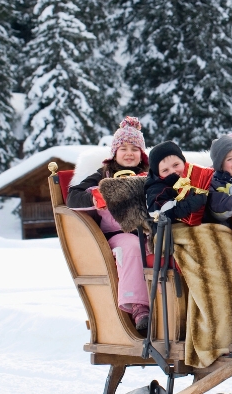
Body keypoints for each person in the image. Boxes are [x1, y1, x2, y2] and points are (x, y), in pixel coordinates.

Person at [67, 117, 151, 333]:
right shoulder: (103, 175)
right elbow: (73, 197)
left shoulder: (150, 174)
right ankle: (139, 307)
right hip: (118, 233)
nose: (129, 153)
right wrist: (94, 197)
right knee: (131, 247)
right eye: (123, 148)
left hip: (149, 230)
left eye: (134, 148)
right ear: (114, 152)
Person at [144, 140, 208, 221]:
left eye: (176, 165)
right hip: (168, 230)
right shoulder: (156, 188)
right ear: (158, 174)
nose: (172, 171)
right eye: (165, 170)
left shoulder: (193, 177)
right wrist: (185, 206)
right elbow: (156, 213)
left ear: (184, 162)